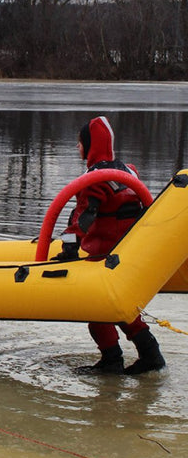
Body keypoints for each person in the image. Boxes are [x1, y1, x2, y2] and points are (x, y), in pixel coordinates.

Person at [55, 115, 166, 375]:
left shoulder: (95, 180)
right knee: (121, 307)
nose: (77, 147)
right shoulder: (127, 171)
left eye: (79, 142)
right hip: (128, 252)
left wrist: (68, 249)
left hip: (103, 254)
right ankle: (151, 354)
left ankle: (112, 360)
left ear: (90, 144)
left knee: (97, 311)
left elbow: (83, 218)